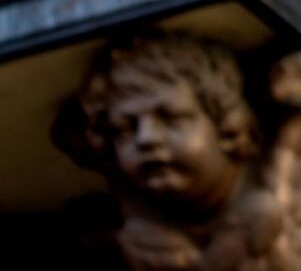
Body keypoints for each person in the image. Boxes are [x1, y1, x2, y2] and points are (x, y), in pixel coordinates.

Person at [75, 34, 283, 270]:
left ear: (228, 125)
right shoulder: (131, 232)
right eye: (124, 129)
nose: (145, 138)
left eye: (171, 118)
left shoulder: (278, 182)